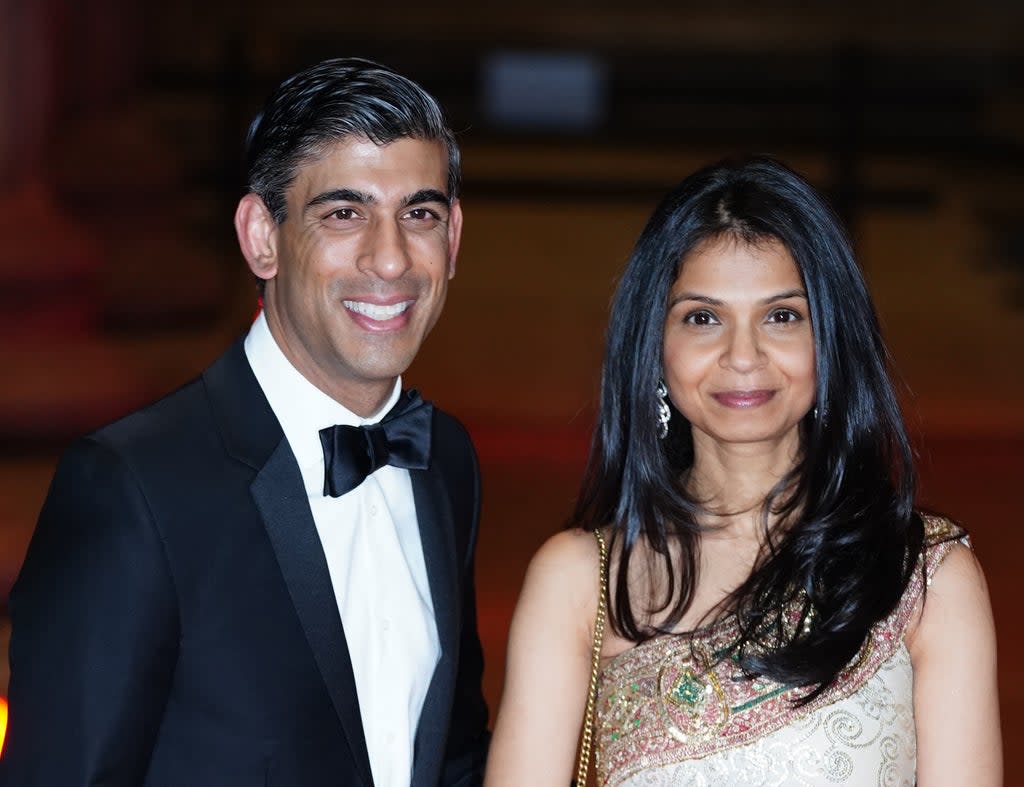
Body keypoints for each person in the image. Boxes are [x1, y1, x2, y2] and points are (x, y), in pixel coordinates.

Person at [1, 57, 489, 786]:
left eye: (417, 214)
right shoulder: (133, 487)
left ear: (451, 239)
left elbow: (451, 755)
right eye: (344, 213)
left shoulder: (444, 457)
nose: (390, 259)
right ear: (262, 235)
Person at [485, 156, 1001, 786]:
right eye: (703, 318)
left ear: (830, 341)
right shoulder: (581, 581)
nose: (743, 356)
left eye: (782, 315)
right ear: (655, 348)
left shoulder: (923, 578)